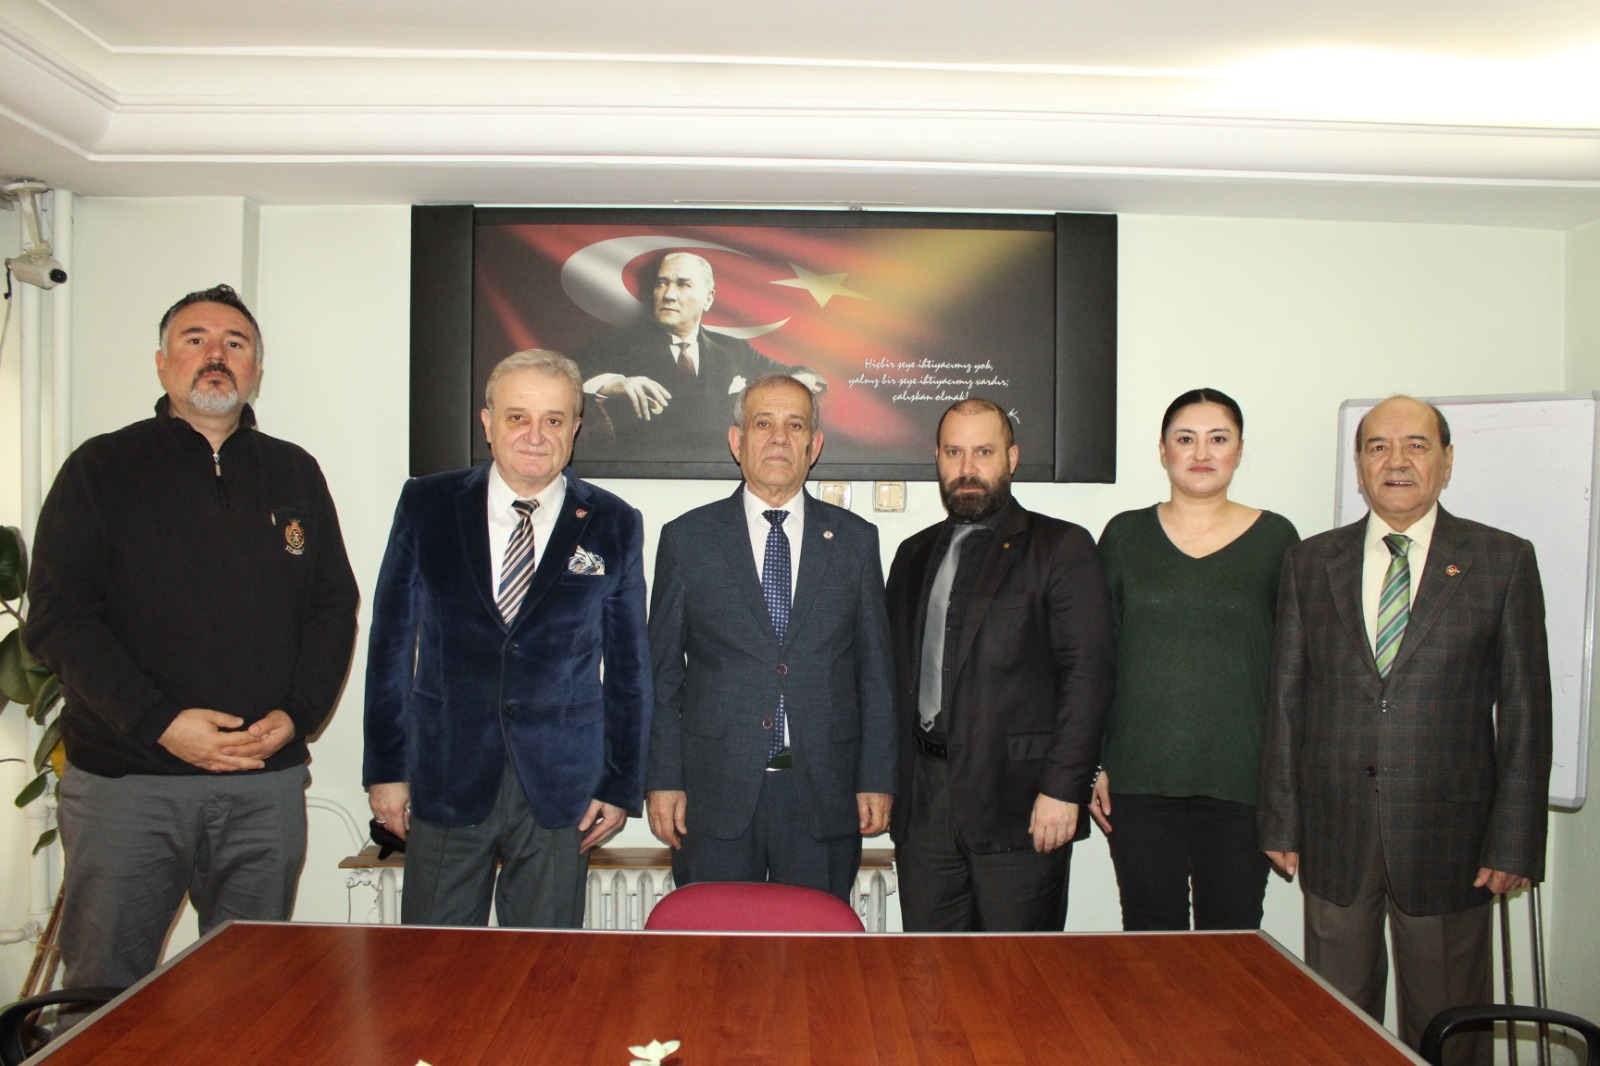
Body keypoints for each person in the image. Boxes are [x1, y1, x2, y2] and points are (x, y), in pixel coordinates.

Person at [25, 283, 359, 990]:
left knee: (250, 990)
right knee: (103, 990)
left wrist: (298, 715)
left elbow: (333, 605)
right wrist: (160, 724)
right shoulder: (102, 468)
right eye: (195, 340)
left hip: (262, 786)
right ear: (161, 362)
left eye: (235, 344)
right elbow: (59, 615)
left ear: (256, 369)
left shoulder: (293, 470)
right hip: (130, 784)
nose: (216, 355)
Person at [1259, 395, 1552, 1065]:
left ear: (1446, 461)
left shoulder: (1501, 560)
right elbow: (1285, 698)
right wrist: (1280, 819)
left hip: (1451, 837)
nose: (1396, 461)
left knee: (1452, 1025)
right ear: (1359, 465)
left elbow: (1526, 711)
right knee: (1334, 1023)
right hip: (1334, 830)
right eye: (1377, 447)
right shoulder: (1310, 562)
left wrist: (1515, 839)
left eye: (1416, 445)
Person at [363, 349, 651, 928]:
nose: (535, 435)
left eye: (553, 419)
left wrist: (620, 784)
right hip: (446, 774)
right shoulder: (427, 504)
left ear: (575, 428)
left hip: (561, 790)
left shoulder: (614, 522)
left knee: (545, 967)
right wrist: (387, 769)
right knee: (431, 965)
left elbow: (629, 670)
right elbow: (390, 644)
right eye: (518, 417)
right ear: (488, 422)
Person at [645, 372, 895, 901]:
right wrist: (663, 778)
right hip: (714, 793)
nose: (779, 437)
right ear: (737, 441)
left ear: (814, 445)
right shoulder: (687, 539)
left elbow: (876, 673)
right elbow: (661, 675)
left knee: (816, 946)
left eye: (794, 425)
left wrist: (876, 777)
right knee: (715, 947)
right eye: (763, 423)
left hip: (823, 793)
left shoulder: (855, 542)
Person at [884, 397, 1115, 931]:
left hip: (1023, 807)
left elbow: (1089, 676)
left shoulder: (1060, 547)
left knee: (1018, 974)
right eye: (954, 452)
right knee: (929, 969)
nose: (967, 468)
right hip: (924, 808)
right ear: (937, 459)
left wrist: (1063, 789)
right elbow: (891, 679)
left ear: (1011, 459)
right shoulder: (912, 554)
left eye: (983, 452)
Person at [1090, 388, 1298, 931]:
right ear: (1163, 450)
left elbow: (1295, 673)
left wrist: (1285, 787)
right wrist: (1094, 762)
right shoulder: (1124, 535)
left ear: (1239, 450)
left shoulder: (1277, 539)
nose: (1201, 452)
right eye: (1185, 438)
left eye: (1218, 439)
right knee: (1149, 940)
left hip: (1241, 782)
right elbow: (1094, 659)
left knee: (1230, 944)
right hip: (1138, 778)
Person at [578, 252, 824, 460]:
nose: (668, 294)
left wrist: (801, 380)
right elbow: (571, 374)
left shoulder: (735, 349)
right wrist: (612, 384)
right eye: (661, 283)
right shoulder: (622, 346)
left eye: (682, 284)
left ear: (708, 298)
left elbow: (799, 374)